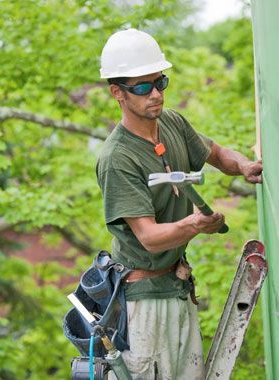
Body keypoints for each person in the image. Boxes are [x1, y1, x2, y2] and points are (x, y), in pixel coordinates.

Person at [96, 28, 263, 380]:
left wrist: (244, 166)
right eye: (142, 87)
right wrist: (196, 225)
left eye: (160, 82)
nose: (155, 94)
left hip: (177, 287)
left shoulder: (171, 122)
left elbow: (216, 154)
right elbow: (149, 237)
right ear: (117, 93)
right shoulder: (118, 157)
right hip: (142, 302)